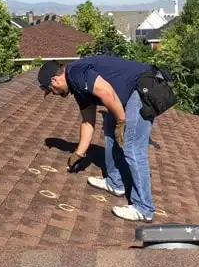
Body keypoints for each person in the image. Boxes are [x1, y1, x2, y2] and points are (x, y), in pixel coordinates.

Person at [37, 55, 155, 222]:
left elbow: (107, 92)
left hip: (144, 86)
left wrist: (121, 122)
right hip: (129, 92)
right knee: (109, 127)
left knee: (132, 147)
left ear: (54, 81)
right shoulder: (77, 88)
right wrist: (79, 153)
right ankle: (116, 183)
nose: (54, 94)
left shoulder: (77, 73)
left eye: (51, 91)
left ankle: (144, 208)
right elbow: (87, 121)